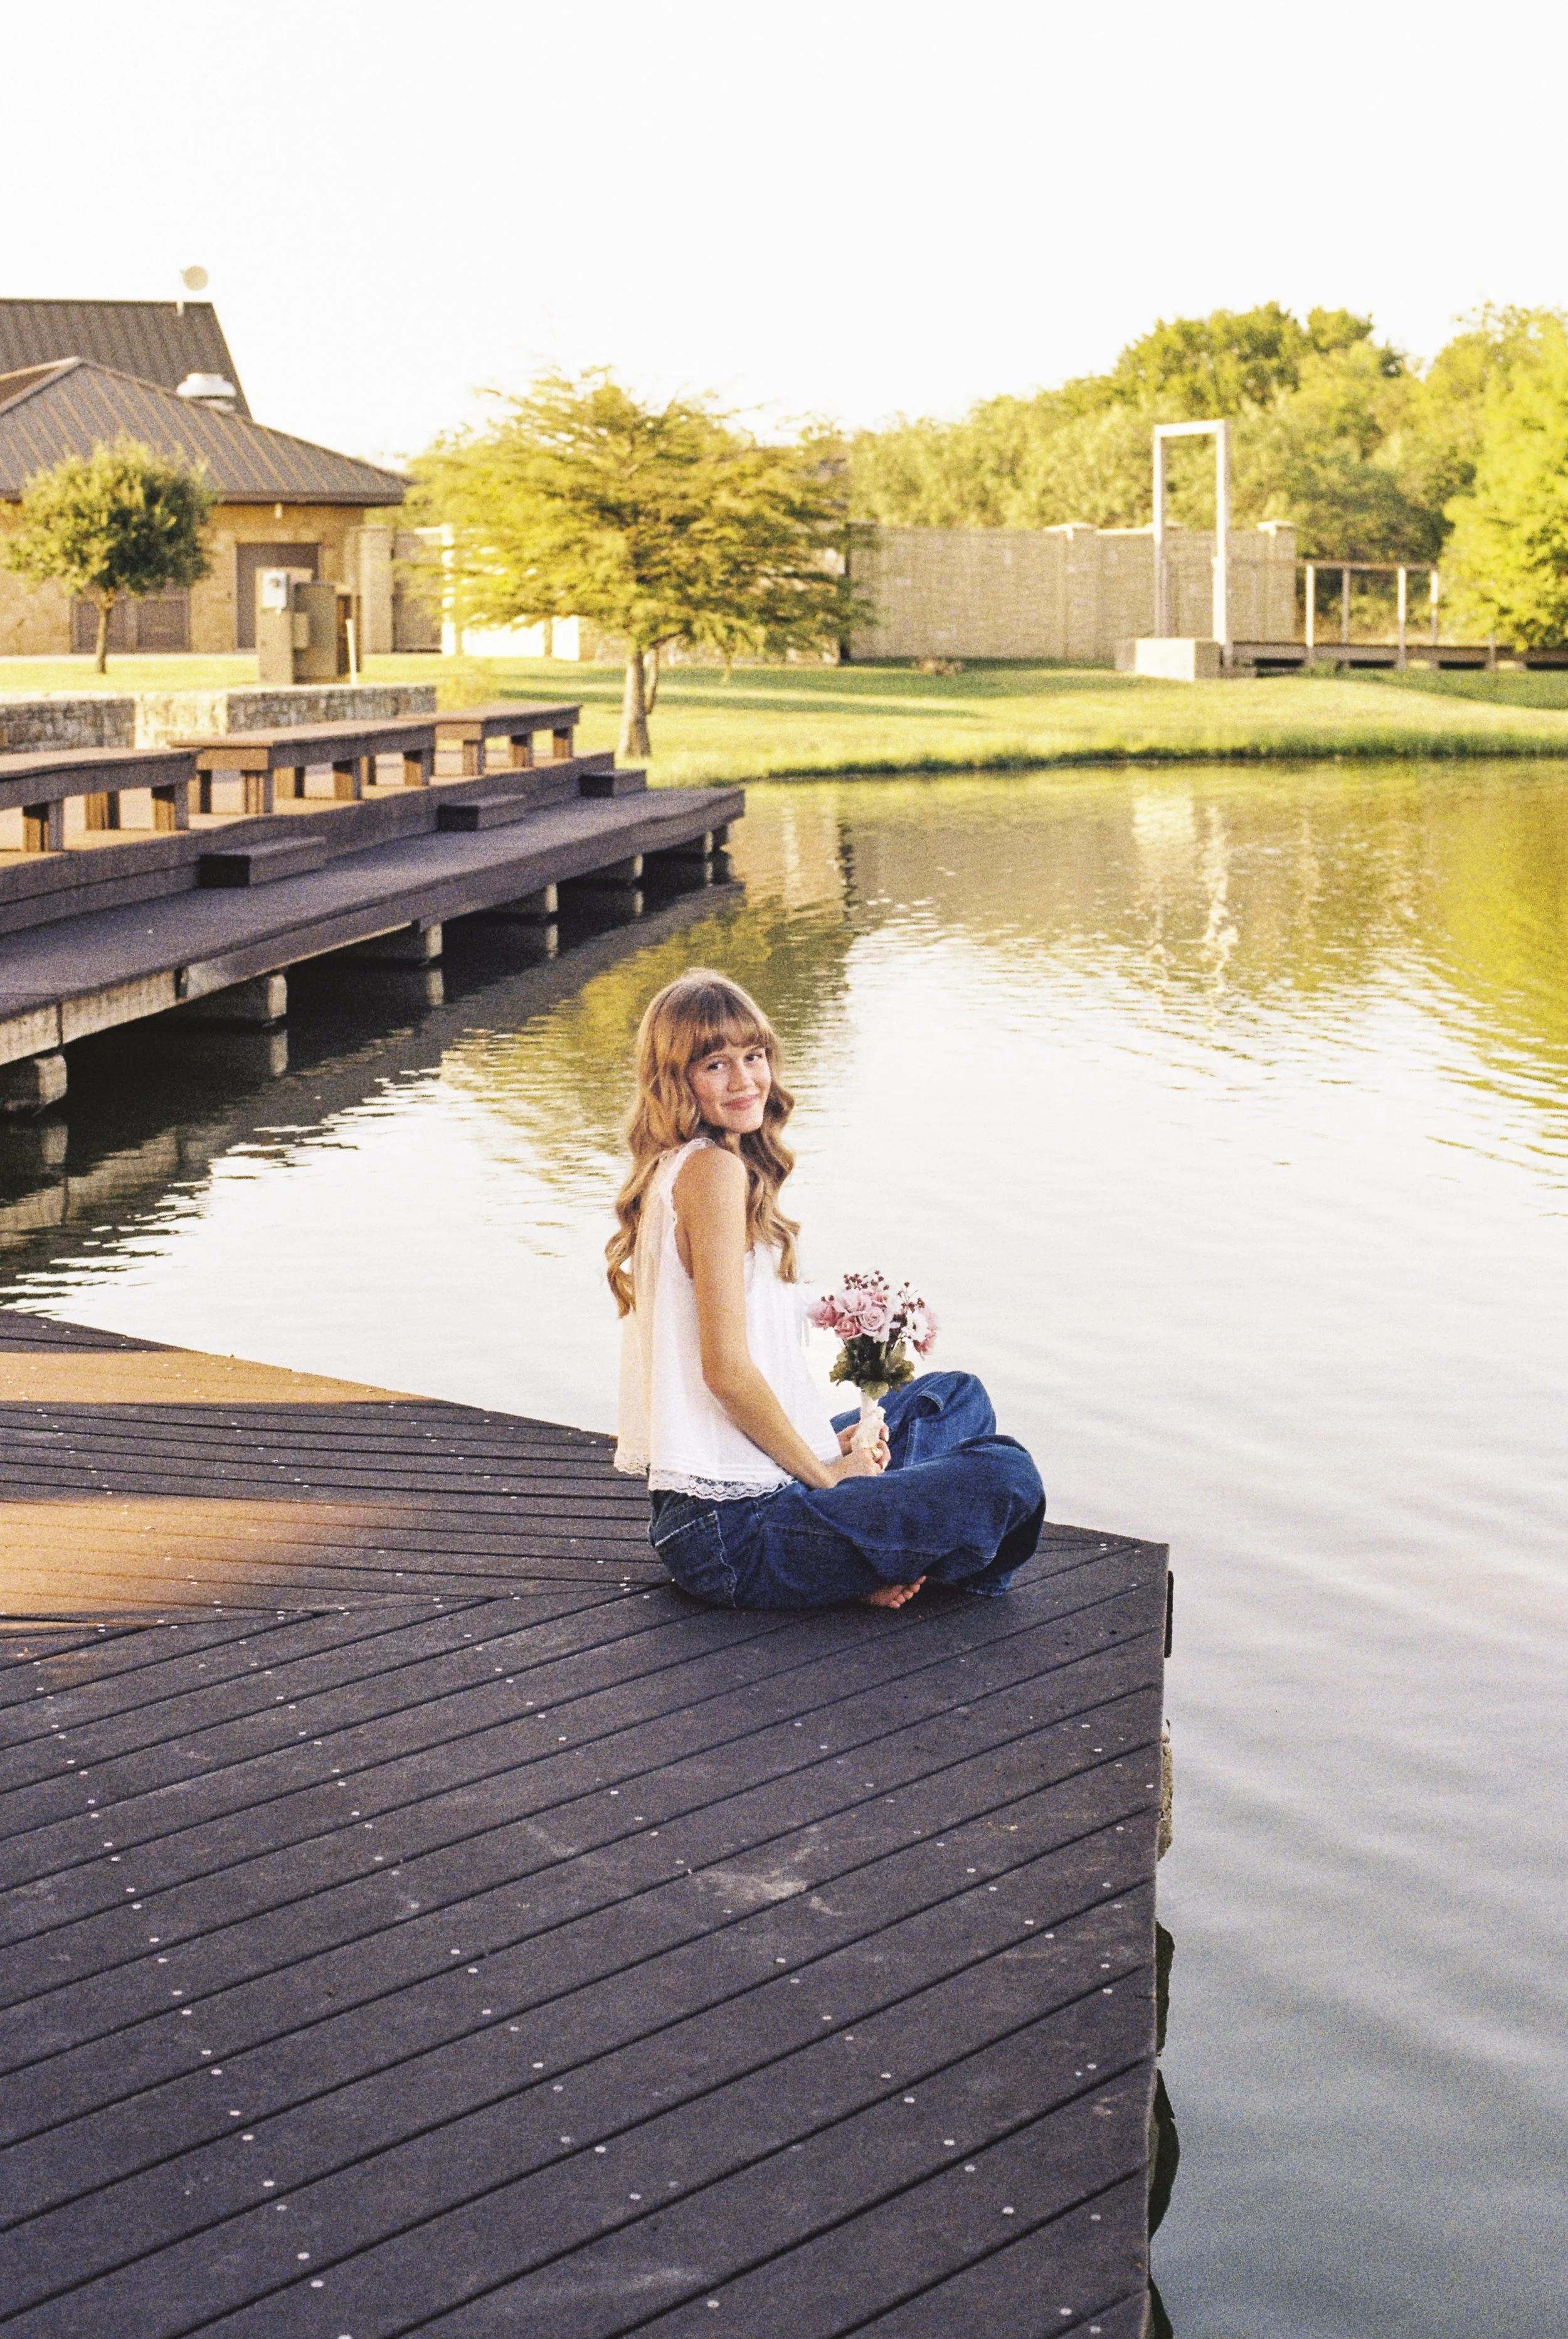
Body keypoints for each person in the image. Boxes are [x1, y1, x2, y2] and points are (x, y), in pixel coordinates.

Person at [608, 969, 1046, 1611]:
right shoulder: (712, 1173)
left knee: (949, 1399)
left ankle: (868, 1549)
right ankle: (885, 1558)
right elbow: (725, 1373)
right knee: (1006, 1475)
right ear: (678, 1080)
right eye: (715, 1064)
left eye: (752, 1057)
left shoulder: (695, 1166)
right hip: (731, 1535)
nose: (744, 1080)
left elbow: (747, 1366)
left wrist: (826, 1440)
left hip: (746, 1493)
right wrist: (827, 1476)